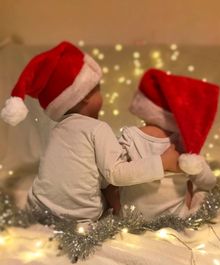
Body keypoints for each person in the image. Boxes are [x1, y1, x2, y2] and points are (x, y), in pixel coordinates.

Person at [0, 42, 181, 222]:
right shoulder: (98, 128)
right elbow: (116, 174)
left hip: (39, 206)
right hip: (80, 215)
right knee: (111, 185)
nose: (101, 97)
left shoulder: (56, 130)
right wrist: (162, 162)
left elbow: (74, 168)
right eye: (98, 90)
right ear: (85, 94)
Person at [116, 69, 220, 220]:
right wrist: (196, 166)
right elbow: (209, 182)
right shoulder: (184, 144)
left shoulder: (129, 136)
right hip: (176, 219)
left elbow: (113, 172)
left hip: (131, 217)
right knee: (196, 189)